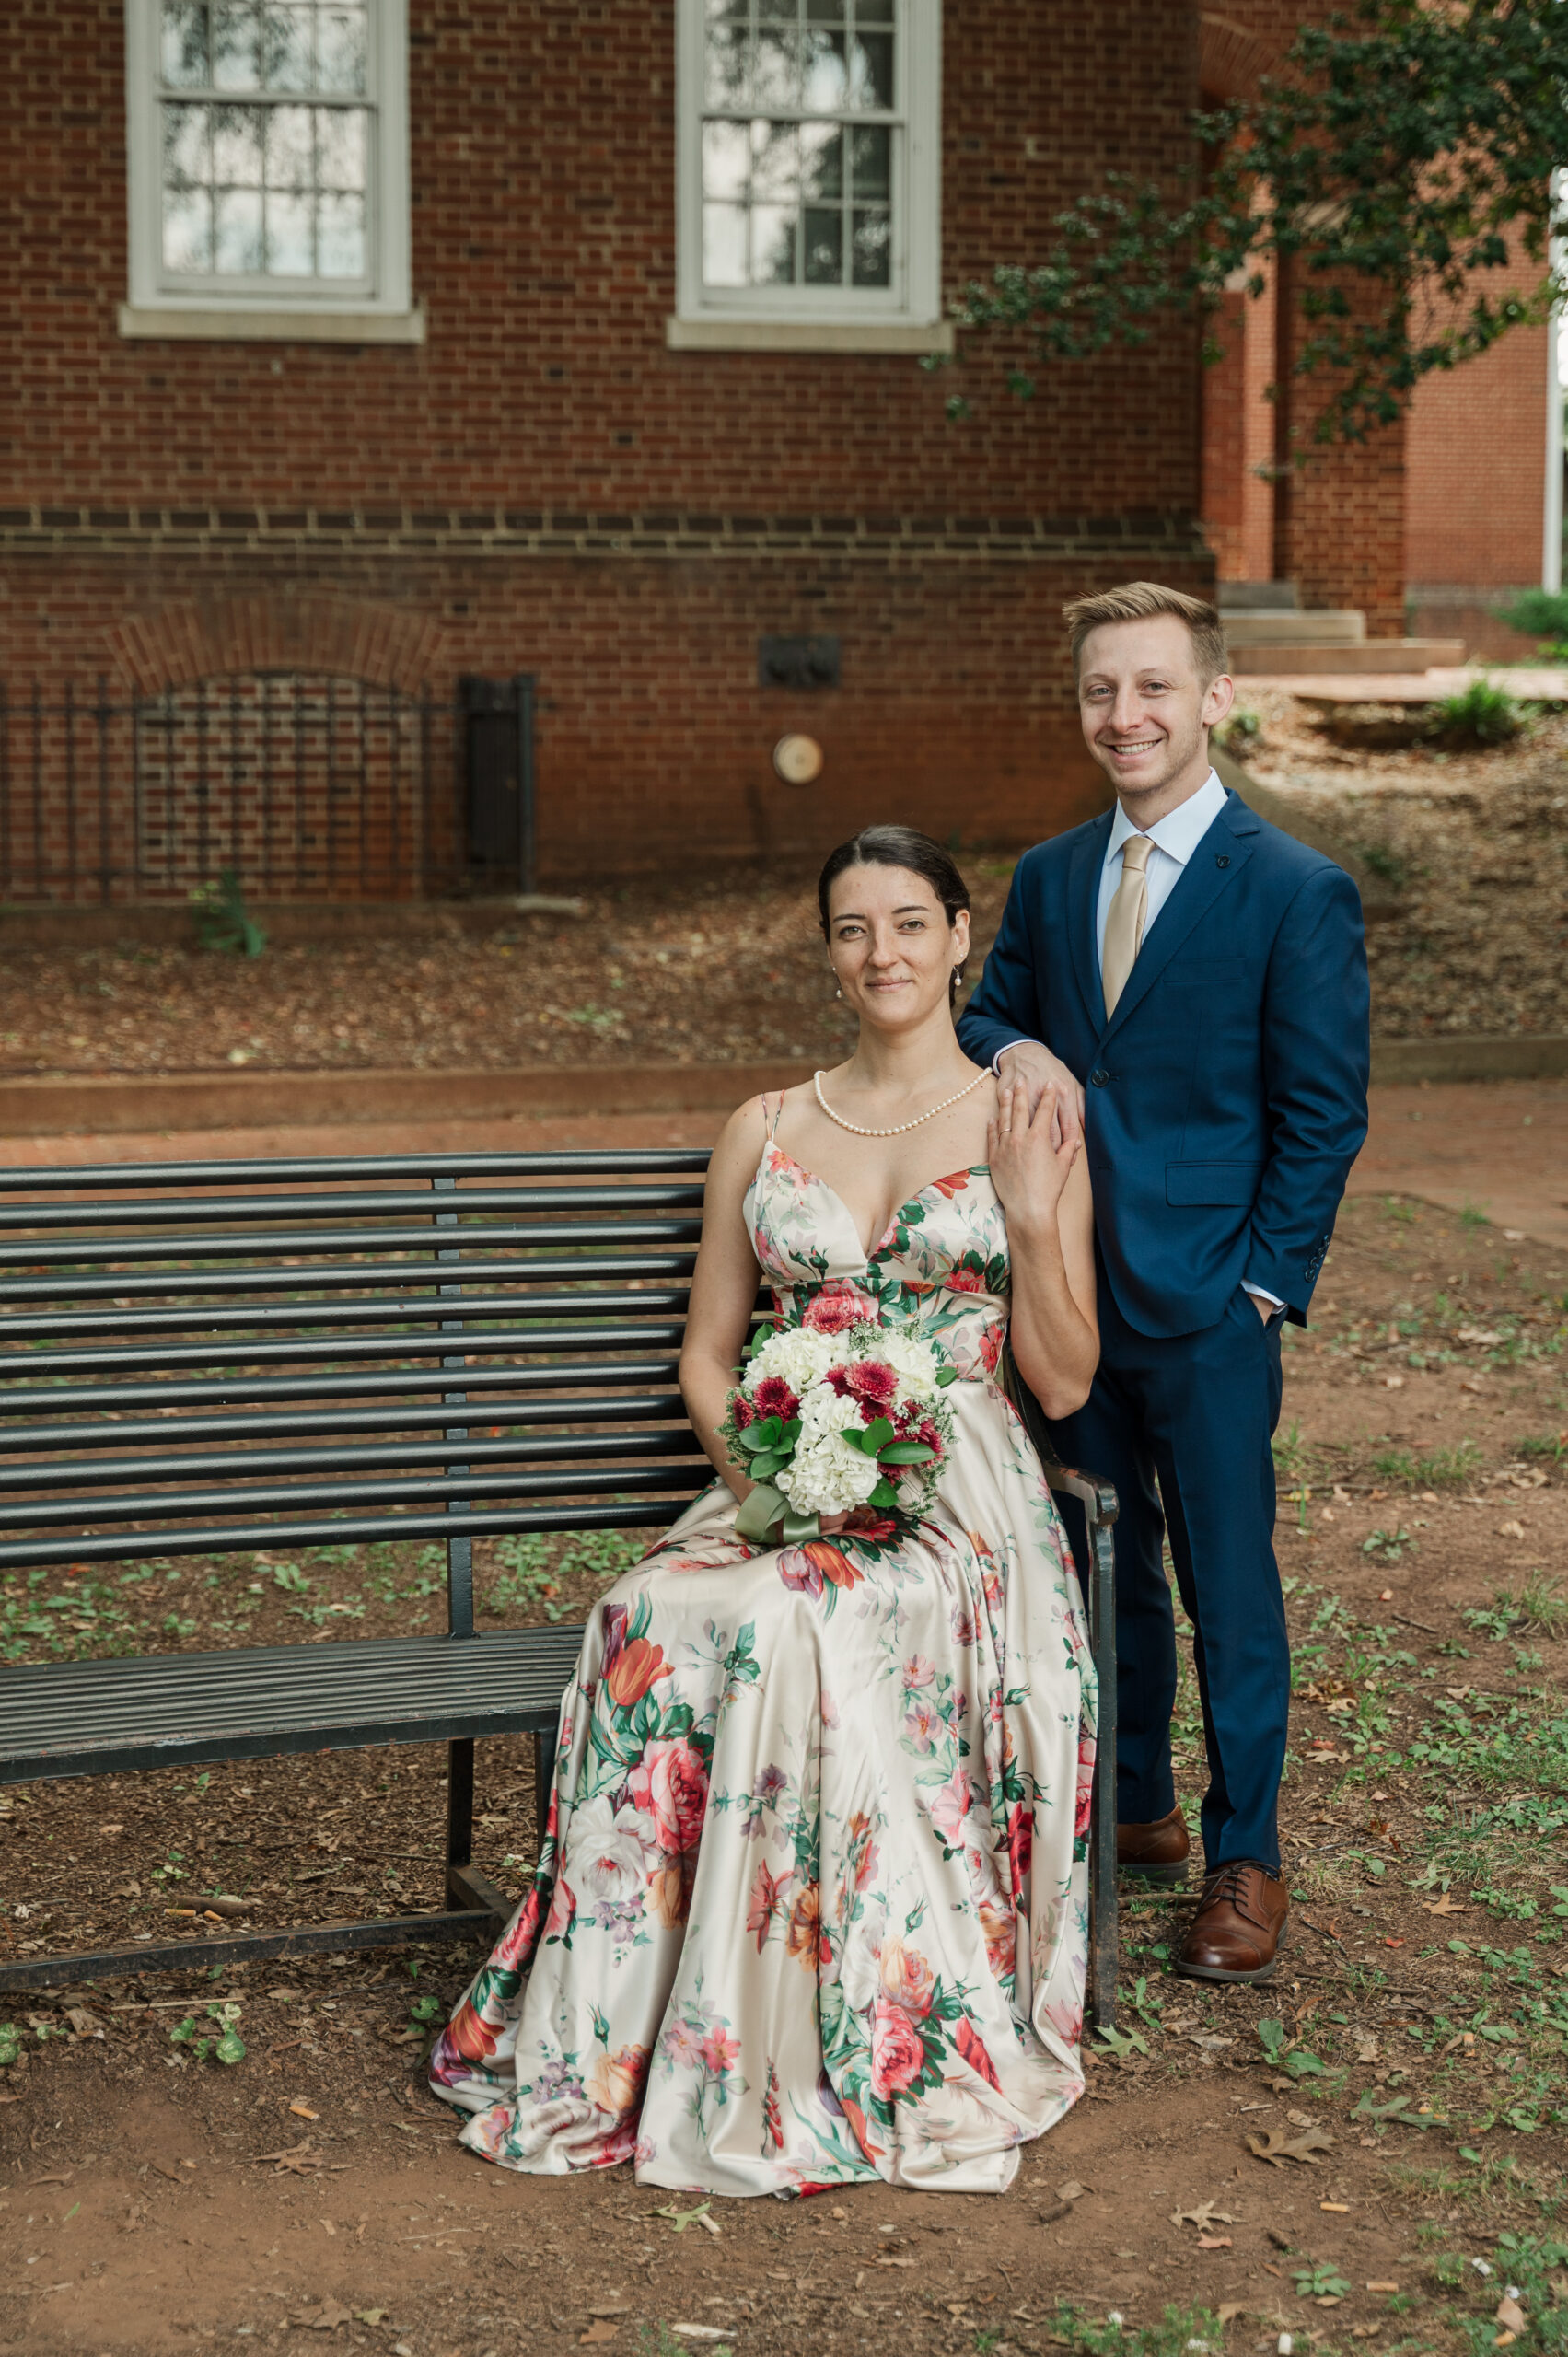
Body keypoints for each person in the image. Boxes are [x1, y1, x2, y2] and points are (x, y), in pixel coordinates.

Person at [430, 824, 1100, 2194]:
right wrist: (765, 1480)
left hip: (957, 1491)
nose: (883, 954)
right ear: (828, 953)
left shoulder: (1022, 1119)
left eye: (911, 923)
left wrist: (1031, 1222)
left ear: (962, 936)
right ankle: (624, 2030)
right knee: (649, 1610)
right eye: (854, 930)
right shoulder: (768, 1124)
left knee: (802, 1624)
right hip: (789, 1469)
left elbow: (1067, 1377)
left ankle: (811, 2034)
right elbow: (705, 1350)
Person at [958, 581, 1370, 1985]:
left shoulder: (1294, 888)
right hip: (1066, 1288)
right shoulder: (1055, 873)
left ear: (1214, 699)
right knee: (1094, 1565)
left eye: (1149, 688)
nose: (1122, 716)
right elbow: (993, 1010)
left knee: (1224, 1584)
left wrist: (1264, 1288)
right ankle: (1129, 1806)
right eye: (1098, 693)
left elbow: (1321, 1114)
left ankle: (1243, 1855)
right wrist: (1018, 1051)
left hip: (1210, 1307)